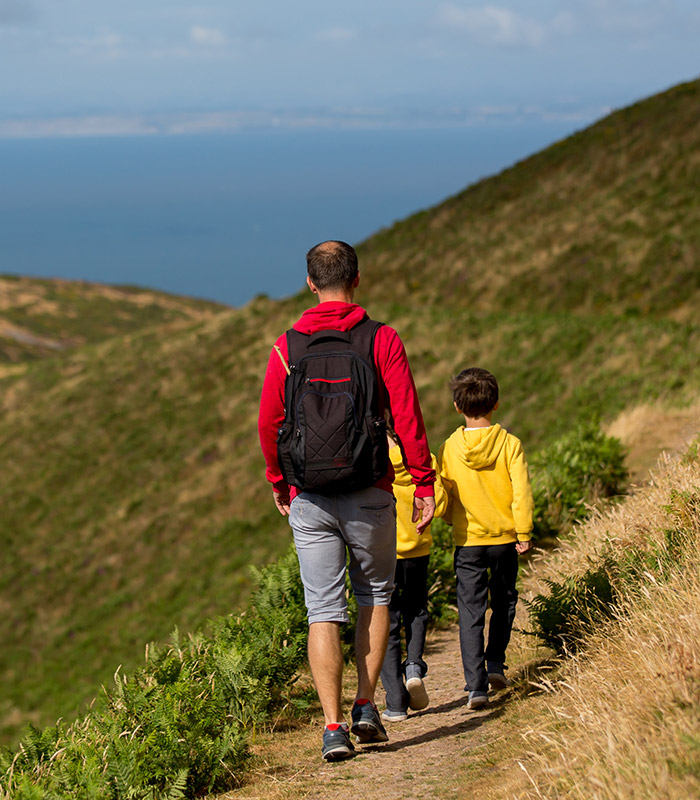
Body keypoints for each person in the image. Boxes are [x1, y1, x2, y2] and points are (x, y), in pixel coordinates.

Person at [258, 240, 436, 761]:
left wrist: (279, 482)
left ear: (310, 283)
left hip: (309, 496)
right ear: (356, 279)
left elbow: (270, 423)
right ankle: (365, 706)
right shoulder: (381, 339)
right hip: (372, 490)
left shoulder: (286, 347)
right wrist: (422, 481)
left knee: (321, 610)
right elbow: (407, 414)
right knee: (376, 596)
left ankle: (332, 727)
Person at [438, 367, 533, 710]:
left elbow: (444, 494)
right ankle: (495, 663)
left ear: (456, 406)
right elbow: (521, 492)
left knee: (470, 611)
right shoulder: (510, 444)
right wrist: (523, 531)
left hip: (468, 542)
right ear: (496, 404)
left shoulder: (449, 447)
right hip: (505, 539)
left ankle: (476, 686)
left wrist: (453, 521)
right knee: (505, 600)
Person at [379, 428, 448, 722]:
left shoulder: (374, 467)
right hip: (418, 551)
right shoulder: (423, 462)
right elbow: (441, 505)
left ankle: (395, 702)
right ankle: (415, 667)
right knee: (417, 609)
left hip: (383, 555)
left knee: (386, 620)